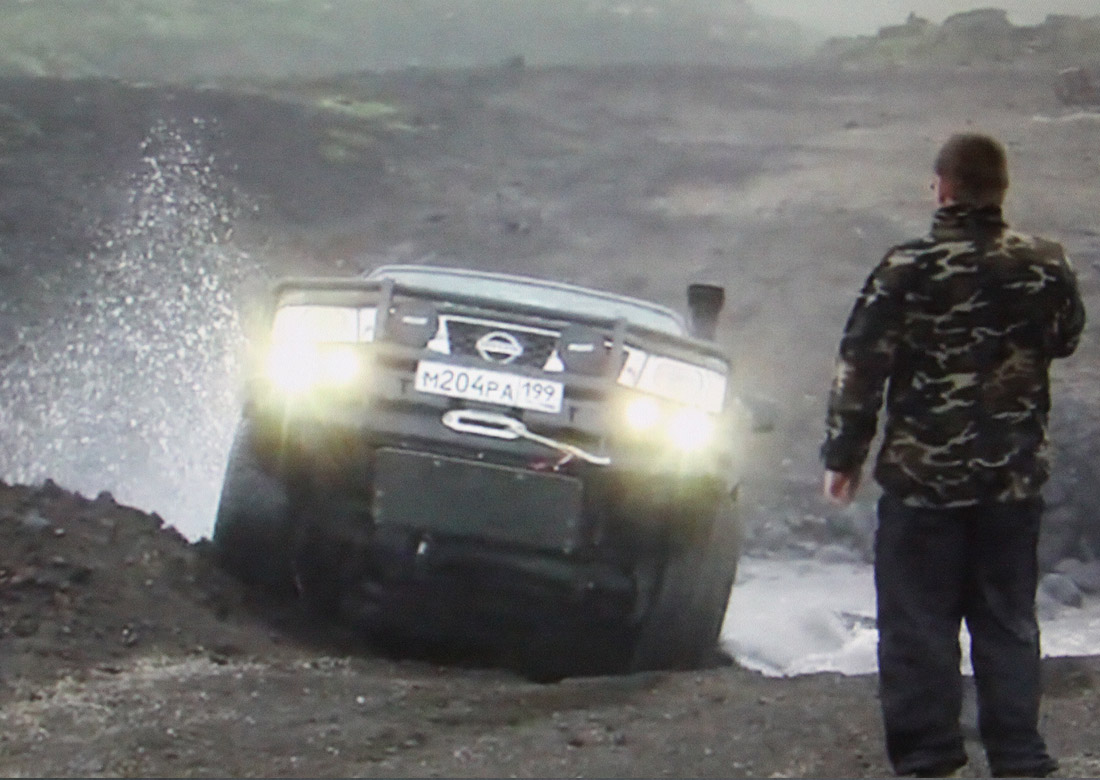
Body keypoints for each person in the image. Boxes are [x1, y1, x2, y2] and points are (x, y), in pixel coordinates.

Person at [820, 133, 1085, 778]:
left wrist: (845, 455)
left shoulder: (906, 268)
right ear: (1002, 189)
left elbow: (862, 365)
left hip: (924, 484)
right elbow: (1066, 338)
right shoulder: (1045, 265)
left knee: (918, 627)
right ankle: (1018, 753)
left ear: (941, 187)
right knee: (1007, 622)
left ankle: (929, 758)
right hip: (1011, 483)